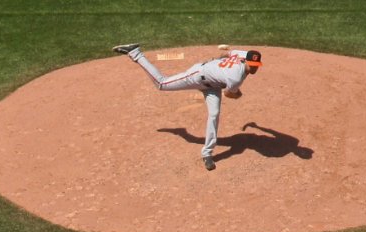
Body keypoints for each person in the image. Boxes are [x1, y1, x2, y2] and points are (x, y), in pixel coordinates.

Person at [111, 44, 263, 171]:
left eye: (256, 66)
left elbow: (230, 52)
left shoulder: (244, 55)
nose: (254, 69)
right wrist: (238, 93)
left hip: (213, 85)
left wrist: (219, 62)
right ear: (246, 61)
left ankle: (207, 153)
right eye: (252, 65)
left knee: (214, 114)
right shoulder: (235, 76)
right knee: (162, 84)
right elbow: (229, 94)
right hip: (197, 76)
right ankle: (135, 53)